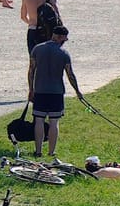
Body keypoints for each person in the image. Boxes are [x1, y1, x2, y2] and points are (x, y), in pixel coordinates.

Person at [26, 24, 85, 159]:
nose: (64, 42)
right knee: (54, 122)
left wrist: (31, 89)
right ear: (59, 37)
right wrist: (78, 91)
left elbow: (31, 71)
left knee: (39, 120)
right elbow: (70, 74)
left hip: (40, 91)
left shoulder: (37, 49)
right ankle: (51, 152)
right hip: (56, 92)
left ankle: (38, 150)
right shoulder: (63, 53)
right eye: (64, 39)